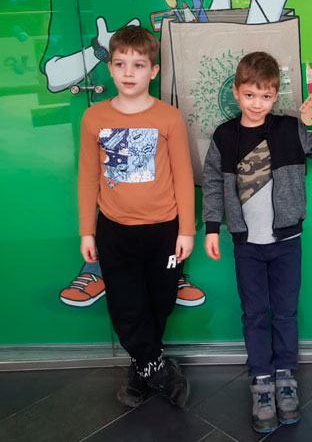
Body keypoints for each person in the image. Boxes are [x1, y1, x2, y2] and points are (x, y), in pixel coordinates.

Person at [202, 51, 312, 433]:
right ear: (236, 92)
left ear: (275, 95)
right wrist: (212, 227)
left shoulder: (290, 128)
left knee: (284, 312)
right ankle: (261, 381)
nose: (257, 103)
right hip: (246, 245)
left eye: (265, 96)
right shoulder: (224, 136)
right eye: (249, 95)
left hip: (286, 241)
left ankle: (285, 377)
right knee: (254, 313)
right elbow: (212, 182)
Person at [77, 25, 195, 409]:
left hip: (164, 230)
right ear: (110, 68)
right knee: (126, 304)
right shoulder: (94, 117)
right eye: (120, 64)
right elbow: (87, 176)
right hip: (115, 230)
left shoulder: (169, 118)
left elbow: (183, 175)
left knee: (159, 302)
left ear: (153, 71)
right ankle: (157, 370)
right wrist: (87, 231)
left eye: (139, 65)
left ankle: (141, 367)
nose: (129, 72)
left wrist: (187, 230)